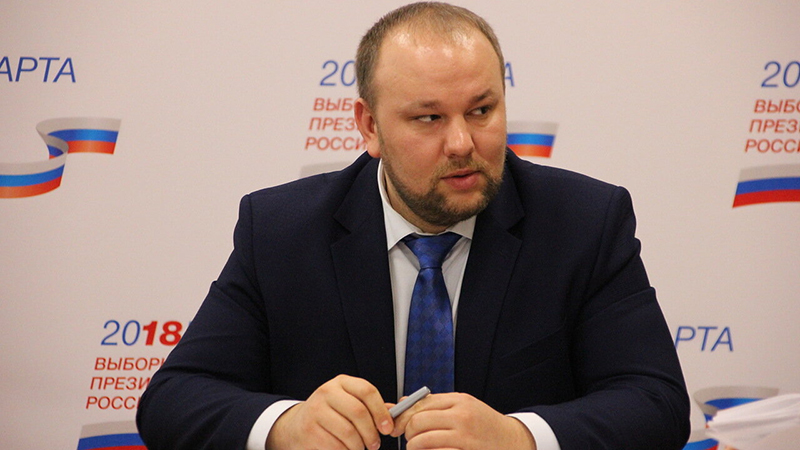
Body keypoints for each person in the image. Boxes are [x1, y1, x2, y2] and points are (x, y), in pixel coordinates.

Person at [136, 2, 690, 449]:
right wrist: (287, 426)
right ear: (369, 126)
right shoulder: (281, 230)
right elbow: (173, 399)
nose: (462, 143)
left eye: (481, 110)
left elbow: (657, 403)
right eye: (429, 118)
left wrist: (518, 438)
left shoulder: (585, 222)